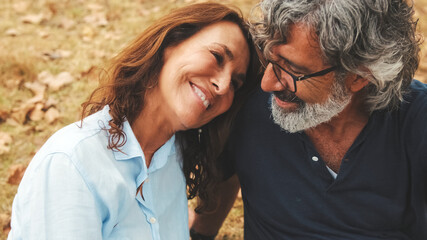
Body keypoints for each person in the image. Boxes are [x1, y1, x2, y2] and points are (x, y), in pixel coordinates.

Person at [7, 3, 259, 239]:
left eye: (235, 83)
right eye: (216, 56)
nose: (223, 86)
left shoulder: (175, 156)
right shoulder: (71, 164)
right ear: (170, 43)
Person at [190, 0, 427, 239]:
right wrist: (199, 234)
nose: (267, 83)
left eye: (292, 70)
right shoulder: (242, 96)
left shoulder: (416, 123)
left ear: (358, 76)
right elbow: (224, 170)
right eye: (269, 58)